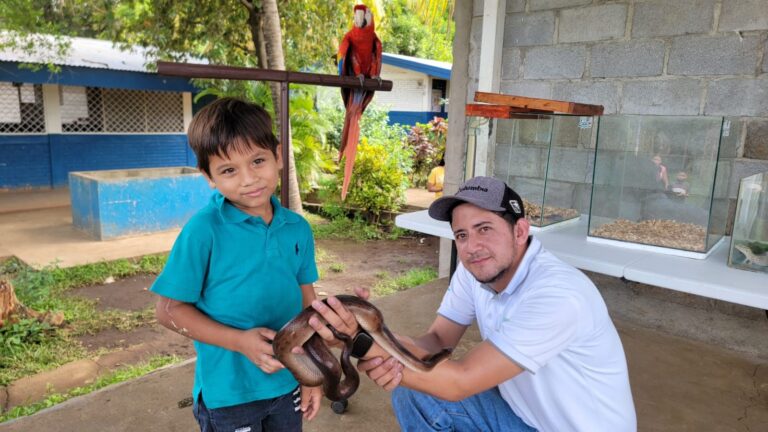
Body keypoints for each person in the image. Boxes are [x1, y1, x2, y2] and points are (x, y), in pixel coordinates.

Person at [308, 176, 637, 431]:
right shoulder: (476, 271)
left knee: (427, 386)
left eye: (484, 229)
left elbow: (460, 381)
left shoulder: (559, 295)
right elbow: (437, 342)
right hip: (523, 418)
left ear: (520, 231)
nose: (471, 247)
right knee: (416, 392)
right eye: (462, 235)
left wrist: (366, 347)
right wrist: (362, 332)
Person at [150, 97, 322, 431]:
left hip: (289, 382)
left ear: (278, 155)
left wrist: (312, 374)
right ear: (209, 177)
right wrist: (239, 341)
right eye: (229, 170)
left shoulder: (297, 228)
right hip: (230, 395)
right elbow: (167, 310)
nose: (248, 179)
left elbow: (308, 308)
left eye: (258, 160)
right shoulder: (204, 231)